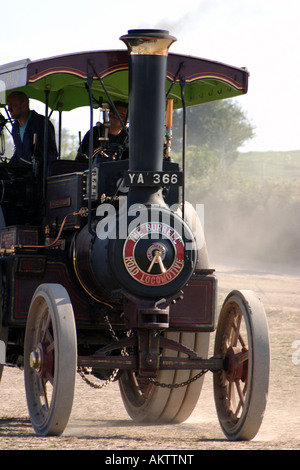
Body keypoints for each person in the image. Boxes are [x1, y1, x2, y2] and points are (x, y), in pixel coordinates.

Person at [6, 91, 57, 172]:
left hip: (38, 179)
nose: (9, 109)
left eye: (14, 105)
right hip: (23, 178)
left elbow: (50, 154)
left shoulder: (41, 123)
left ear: (24, 105)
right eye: (8, 105)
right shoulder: (15, 127)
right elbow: (18, 154)